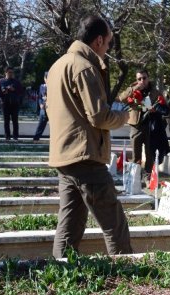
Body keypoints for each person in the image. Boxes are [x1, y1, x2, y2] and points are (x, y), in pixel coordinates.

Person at [46, 14, 132, 258]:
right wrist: (124, 117)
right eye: (108, 43)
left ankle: (60, 272)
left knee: (70, 224)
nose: (107, 49)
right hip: (86, 156)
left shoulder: (57, 66)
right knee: (114, 223)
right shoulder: (84, 67)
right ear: (97, 41)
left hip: (64, 155)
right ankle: (129, 274)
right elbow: (99, 116)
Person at [118, 68, 167, 177]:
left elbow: (163, 106)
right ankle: (135, 177)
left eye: (144, 78)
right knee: (136, 153)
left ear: (148, 78)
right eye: (139, 79)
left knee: (150, 153)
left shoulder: (155, 91)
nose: (142, 81)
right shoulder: (132, 89)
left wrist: (156, 109)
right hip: (136, 125)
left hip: (150, 125)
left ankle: (148, 176)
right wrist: (135, 88)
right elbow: (121, 98)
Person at [0, 67, 24, 140]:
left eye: (12, 72)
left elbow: (21, 92)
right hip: (5, 104)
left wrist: (14, 90)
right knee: (6, 121)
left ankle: (15, 136)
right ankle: (7, 136)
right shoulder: (0, 81)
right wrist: (3, 92)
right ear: (6, 73)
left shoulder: (16, 82)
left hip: (14, 103)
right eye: (9, 72)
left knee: (15, 120)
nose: (11, 74)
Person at [33, 71, 49, 141]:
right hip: (43, 108)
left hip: (51, 108)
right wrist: (40, 104)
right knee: (41, 124)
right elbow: (39, 97)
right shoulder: (42, 86)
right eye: (46, 78)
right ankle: (36, 138)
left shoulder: (54, 87)